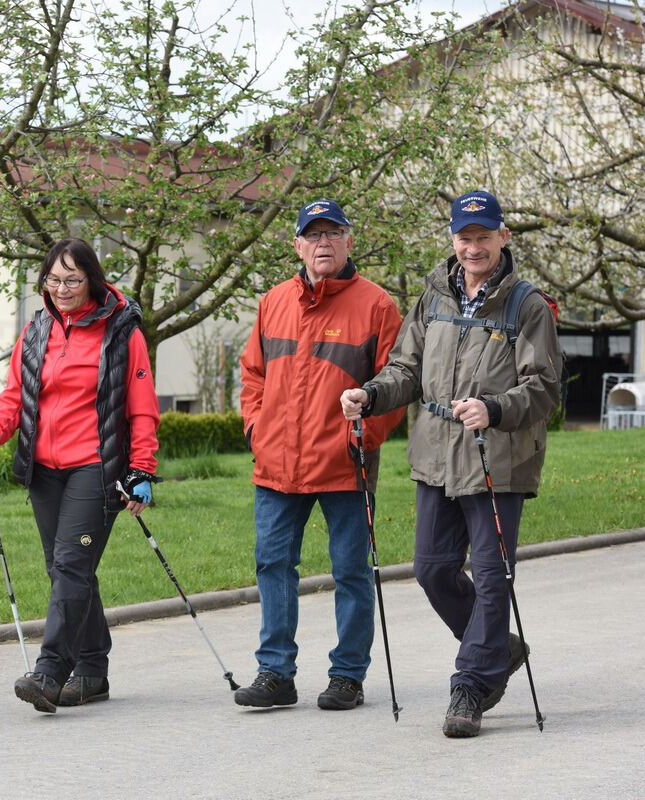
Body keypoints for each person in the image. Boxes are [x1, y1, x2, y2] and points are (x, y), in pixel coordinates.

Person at [340, 190, 562, 738]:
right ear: (452, 240)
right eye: (465, 237)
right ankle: (497, 648)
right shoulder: (433, 295)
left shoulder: (526, 305)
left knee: (490, 576)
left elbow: (544, 388)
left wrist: (494, 407)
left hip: (498, 458)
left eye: (484, 236)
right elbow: (406, 369)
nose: (474, 246)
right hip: (436, 455)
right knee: (432, 569)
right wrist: (370, 394)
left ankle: (471, 683)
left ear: (503, 238)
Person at [0, 237, 160, 713]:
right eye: (54, 280)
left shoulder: (121, 332)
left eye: (73, 279)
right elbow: (15, 397)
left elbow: (141, 407)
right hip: (44, 468)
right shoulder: (36, 331)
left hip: (96, 466)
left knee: (72, 565)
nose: (62, 288)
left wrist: (142, 470)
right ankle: (92, 670)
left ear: (91, 279)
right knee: (66, 568)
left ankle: (51, 671)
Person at [236, 200, 404, 712]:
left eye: (333, 232)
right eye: (313, 235)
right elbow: (253, 376)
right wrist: (256, 429)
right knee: (273, 565)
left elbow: (395, 385)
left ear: (350, 241)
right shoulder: (273, 302)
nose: (323, 242)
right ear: (298, 245)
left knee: (351, 572)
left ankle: (348, 675)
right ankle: (275, 673)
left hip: (345, 466)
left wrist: (363, 438)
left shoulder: (377, 306)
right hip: (277, 465)